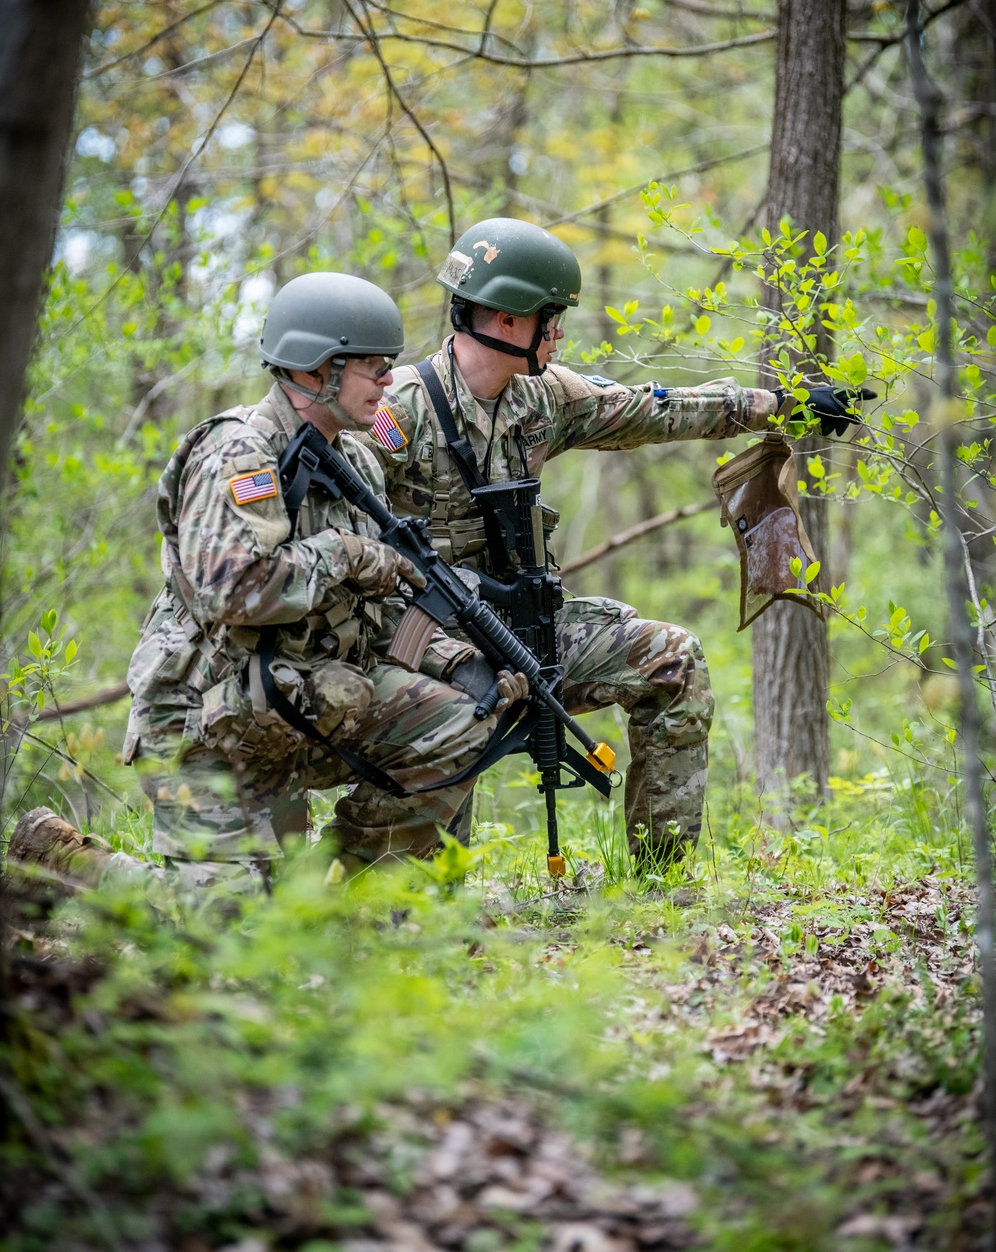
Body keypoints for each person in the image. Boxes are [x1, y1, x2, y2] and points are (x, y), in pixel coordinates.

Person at [359, 218, 862, 869]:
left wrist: (781, 406)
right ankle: (370, 902)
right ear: (509, 318)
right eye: (551, 316)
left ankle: (658, 883)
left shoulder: (545, 398)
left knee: (669, 660)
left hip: (525, 628)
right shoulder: (396, 412)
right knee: (427, 868)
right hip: (428, 648)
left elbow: (659, 408)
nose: (559, 331)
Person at [122, 271, 526, 889]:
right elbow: (232, 592)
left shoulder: (359, 457)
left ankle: (338, 890)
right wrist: (342, 552)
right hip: (207, 722)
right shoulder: (238, 455)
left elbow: (380, 603)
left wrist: (459, 662)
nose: (392, 382)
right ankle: (66, 858)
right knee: (220, 929)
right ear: (316, 372)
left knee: (462, 718)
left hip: (302, 705)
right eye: (375, 368)